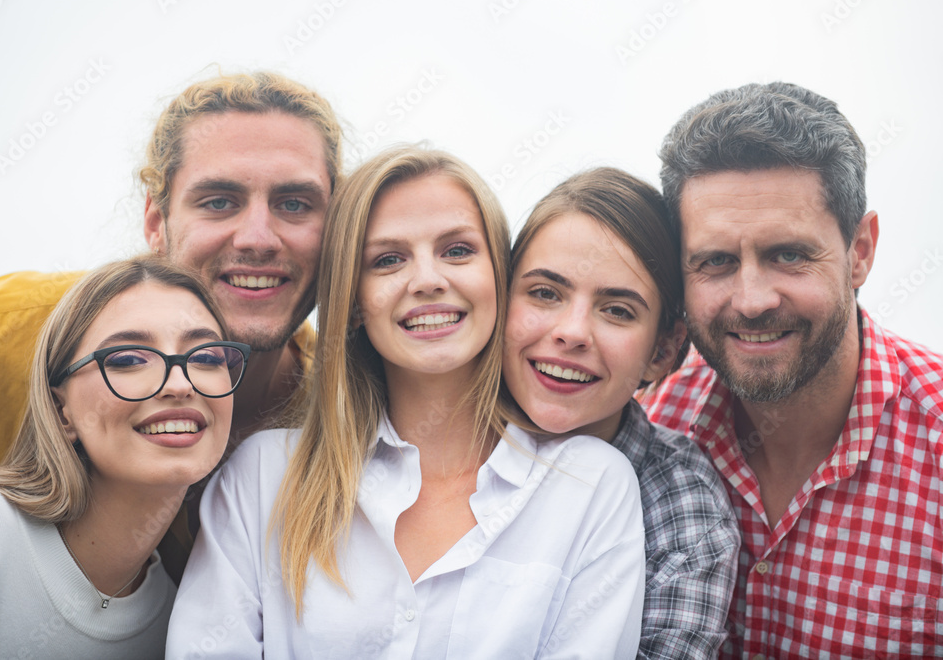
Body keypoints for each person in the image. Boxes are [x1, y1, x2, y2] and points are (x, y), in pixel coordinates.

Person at [167, 146, 646, 658]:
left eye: (457, 251)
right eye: (388, 260)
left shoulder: (591, 484)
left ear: (499, 280)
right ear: (353, 302)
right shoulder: (261, 478)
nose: (427, 280)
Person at [642, 82, 943, 658]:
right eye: (716, 262)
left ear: (860, 250)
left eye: (789, 255)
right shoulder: (652, 425)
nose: (751, 300)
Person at [0, 69, 341, 475]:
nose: (258, 239)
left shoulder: (356, 414)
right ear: (155, 220)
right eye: (219, 202)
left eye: (294, 204)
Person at [0, 256, 249, 658]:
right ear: (60, 411)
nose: (179, 384)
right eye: (127, 359)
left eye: (206, 357)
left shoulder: (184, 621)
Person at [502, 167, 739, 658]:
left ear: (663, 351)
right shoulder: (428, 429)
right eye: (545, 293)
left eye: (617, 310)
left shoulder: (682, 508)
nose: (572, 332)